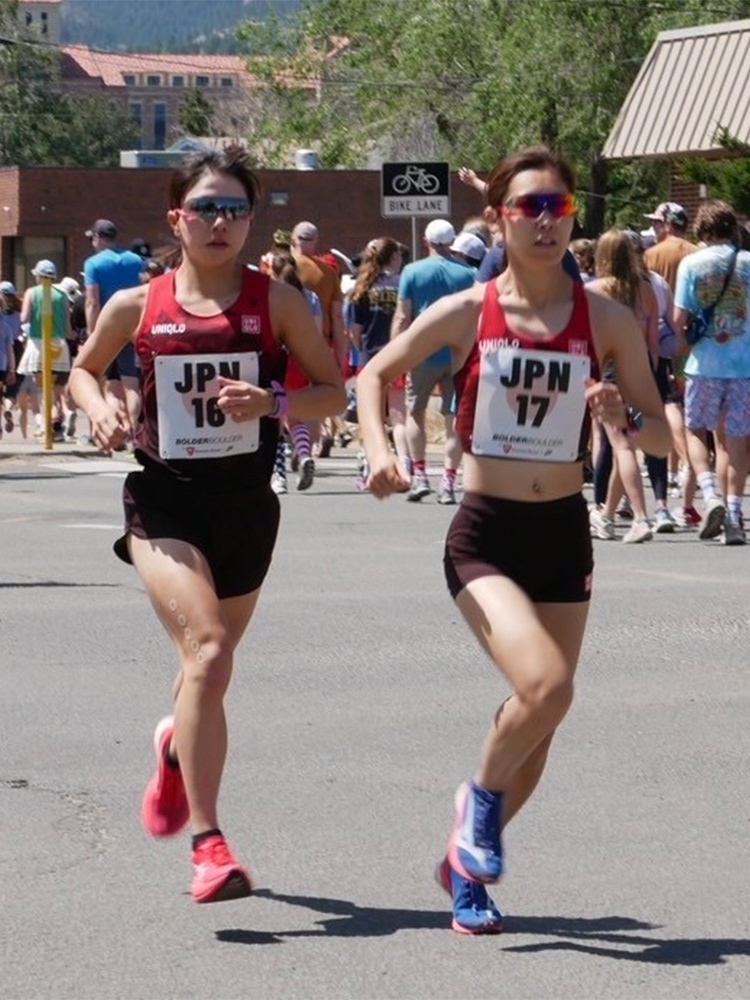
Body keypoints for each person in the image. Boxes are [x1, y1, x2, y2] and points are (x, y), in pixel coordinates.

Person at [357, 145, 670, 935]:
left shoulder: (605, 317)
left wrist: (624, 416)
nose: (544, 221)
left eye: (557, 207)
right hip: (486, 535)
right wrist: (380, 451)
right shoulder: (470, 309)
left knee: (541, 724)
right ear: (499, 218)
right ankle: (479, 808)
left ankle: (465, 867)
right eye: (528, 207)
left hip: (562, 533)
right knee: (548, 688)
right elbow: (373, 374)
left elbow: (665, 435)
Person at [69, 145, 345, 904]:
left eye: (235, 210)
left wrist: (275, 404)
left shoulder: (277, 303)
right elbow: (85, 370)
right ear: (176, 219)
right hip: (164, 502)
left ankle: (173, 748)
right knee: (212, 651)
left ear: (251, 220)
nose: (220, 223)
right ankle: (208, 844)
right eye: (206, 209)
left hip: (246, 506)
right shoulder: (138, 305)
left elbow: (333, 391)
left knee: (207, 671)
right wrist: (99, 407)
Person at [673, 199, 750, 545]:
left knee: (695, 431)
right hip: (743, 365)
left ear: (702, 229)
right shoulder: (747, 262)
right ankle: (734, 516)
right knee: (735, 442)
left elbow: (678, 319)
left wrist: (680, 349)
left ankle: (709, 494)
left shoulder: (691, 264)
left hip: (704, 365)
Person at [588, 230, 667, 542]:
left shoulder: (594, 291)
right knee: (628, 445)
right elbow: (654, 344)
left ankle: (640, 516)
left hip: (609, 375)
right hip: (640, 373)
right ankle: (607, 515)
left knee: (621, 445)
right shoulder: (645, 289)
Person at [391, 219, 475, 504]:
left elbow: (402, 316)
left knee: (415, 412)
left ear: (426, 241)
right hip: (457, 354)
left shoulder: (412, 272)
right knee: (454, 418)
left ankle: (420, 475)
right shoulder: (469, 274)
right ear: (452, 242)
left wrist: (396, 353)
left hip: (422, 351)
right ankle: (448, 481)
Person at [83, 218, 146, 443]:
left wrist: (92, 334)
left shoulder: (93, 264)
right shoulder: (136, 260)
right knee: (132, 385)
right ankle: (135, 433)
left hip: (107, 330)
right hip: (134, 328)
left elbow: (92, 302)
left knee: (110, 388)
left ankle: (114, 434)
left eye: (92, 238)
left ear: (98, 238)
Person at [349, 238, 405, 488]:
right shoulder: (402, 283)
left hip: (369, 358)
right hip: (397, 355)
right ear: (393, 257)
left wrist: (361, 348)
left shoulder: (363, 286)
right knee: (398, 417)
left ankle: (368, 467)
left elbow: (354, 330)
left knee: (372, 418)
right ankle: (404, 467)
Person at [19, 259, 72, 441]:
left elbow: (24, 317)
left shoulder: (31, 292)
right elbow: (67, 326)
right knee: (54, 389)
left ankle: (48, 426)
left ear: (39, 276)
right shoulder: (62, 294)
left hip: (38, 342)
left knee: (43, 389)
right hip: (59, 344)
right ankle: (54, 425)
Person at [643, 202, 696, 292]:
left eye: (656, 222)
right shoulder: (698, 252)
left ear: (668, 225)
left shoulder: (650, 255)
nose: (653, 226)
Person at [0, 280, 21, 434]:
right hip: (9, 357)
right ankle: (8, 408)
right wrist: (12, 370)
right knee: (12, 390)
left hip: (6, 354)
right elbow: (11, 348)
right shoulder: (16, 316)